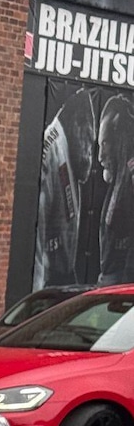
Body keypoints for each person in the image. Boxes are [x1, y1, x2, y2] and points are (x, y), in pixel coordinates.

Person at [34, 88, 99, 288]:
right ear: (78, 127)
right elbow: (38, 239)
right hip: (46, 281)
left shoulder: (67, 154)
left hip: (61, 278)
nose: (90, 154)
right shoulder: (52, 151)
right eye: (89, 142)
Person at [97, 95, 134, 286]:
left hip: (121, 283)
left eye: (105, 143)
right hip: (111, 279)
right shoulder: (119, 176)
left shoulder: (130, 176)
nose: (100, 156)